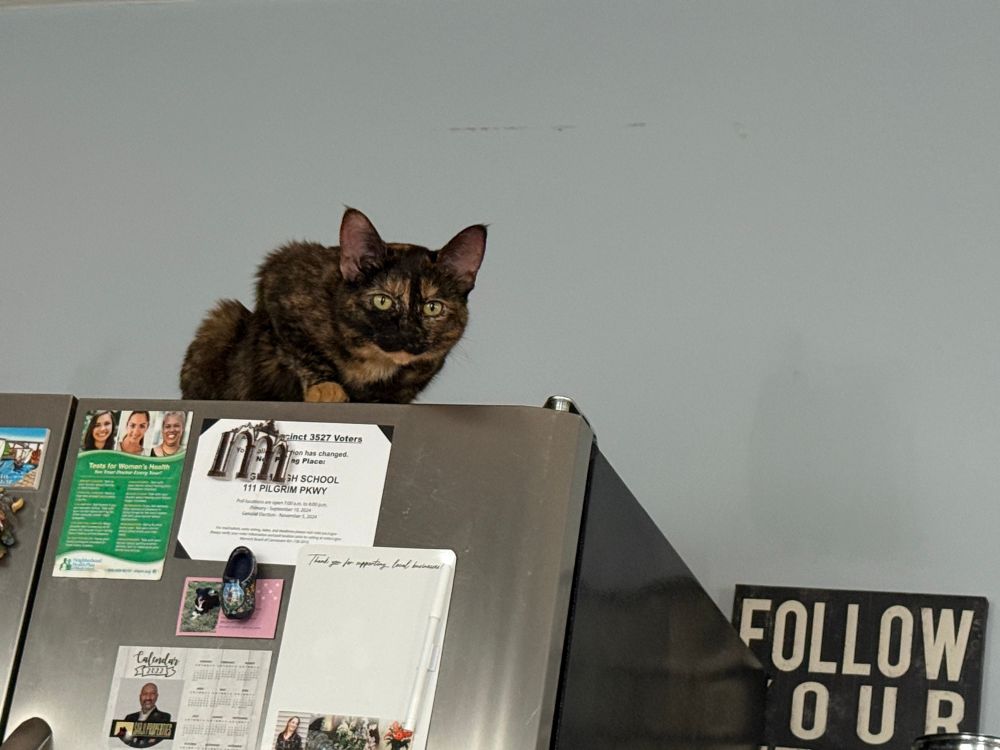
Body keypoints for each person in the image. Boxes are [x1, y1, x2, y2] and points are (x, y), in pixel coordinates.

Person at [122, 682, 172, 747]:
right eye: (145, 694)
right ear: (140, 697)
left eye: (152, 694)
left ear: (157, 696)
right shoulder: (129, 718)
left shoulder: (164, 717)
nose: (148, 697)